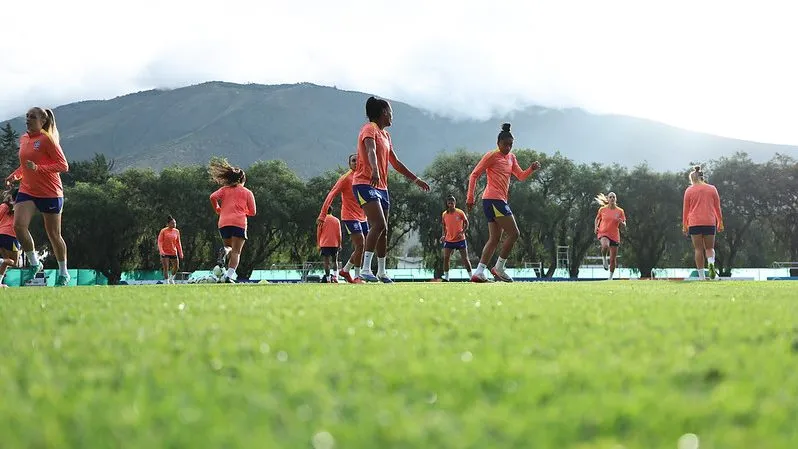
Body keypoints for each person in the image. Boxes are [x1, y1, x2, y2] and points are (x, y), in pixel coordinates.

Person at [351, 96, 430, 283]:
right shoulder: (369, 129)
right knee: (378, 225)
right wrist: (376, 170)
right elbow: (370, 150)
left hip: (382, 188)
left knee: (384, 231)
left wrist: (416, 179)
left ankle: (382, 271)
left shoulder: (386, 136)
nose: (392, 116)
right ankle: (365, 269)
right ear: (384, 113)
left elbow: (395, 162)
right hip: (365, 183)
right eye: (391, 112)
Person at [4, 107, 70, 286]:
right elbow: (26, 166)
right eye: (27, 116)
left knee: (54, 235)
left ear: (42, 120)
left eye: (32, 117)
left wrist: (39, 169)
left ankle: (64, 273)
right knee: (18, 226)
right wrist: (15, 175)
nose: (28, 119)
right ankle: (34, 263)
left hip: (50, 192)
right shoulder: (24, 138)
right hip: (28, 190)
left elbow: (63, 166)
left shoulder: (47, 139)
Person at [466, 123, 540, 283]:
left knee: (494, 239)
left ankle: (479, 272)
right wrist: (470, 197)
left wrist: (531, 169)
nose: (507, 147)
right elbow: (474, 175)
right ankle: (499, 268)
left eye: (510, 145)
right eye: (505, 144)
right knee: (514, 234)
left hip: (497, 201)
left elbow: (520, 176)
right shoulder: (491, 156)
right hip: (493, 200)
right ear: (498, 143)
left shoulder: (511, 158)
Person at [318, 153, 367, 283]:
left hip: (363, 216)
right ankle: (357, 276)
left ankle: (345, 271)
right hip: (349, 216)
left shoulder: (365, 176)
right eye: (353, 161)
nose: (357, 163)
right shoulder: (345, 178)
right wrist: (323, 214)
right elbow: (331, 194)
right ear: (349, 164)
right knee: (360, 243)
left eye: (359, 160)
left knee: (362, 246)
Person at [209, 158, 256, 283]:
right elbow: (253, 212)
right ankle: (228, 277)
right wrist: (243, 211)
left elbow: (212, 197)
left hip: (223, 222)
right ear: (242, 180)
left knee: (228, 247)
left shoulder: (224, 190)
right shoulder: (247, 192)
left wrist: (218, 209)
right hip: (239, 223)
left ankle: (224, 251)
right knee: (236, 252)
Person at [682, 165, 724, 280]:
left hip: (694, 222)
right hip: (709, 222)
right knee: (709, 248)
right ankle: (711, 265)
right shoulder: (712, 189)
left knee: (698, 249)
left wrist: (685, 225)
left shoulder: (689, 190)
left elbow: (686, 210)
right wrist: (720, 221)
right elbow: (717, 207)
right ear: (702, 177)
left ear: (692, 179)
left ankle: (701, 276)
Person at [594, 192, 627, 280]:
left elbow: (624, 224)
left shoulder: (620, 211)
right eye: (610, 197)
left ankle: (610, 278)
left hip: (615, 235)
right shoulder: (602, 209)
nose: (612, 198)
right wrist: (596, 226)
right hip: (603, 232)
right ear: (608, 199)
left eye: (613, 197)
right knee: (605, 246)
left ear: (616, 199)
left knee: (613, 259)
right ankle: (604, 257)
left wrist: (622, 223)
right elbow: (597, 218)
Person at [440, 195, 472, 281]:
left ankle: (471, 277)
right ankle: (446, 277)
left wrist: (462, 232)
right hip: (449, 240)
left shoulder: (460, 212)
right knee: (446, 258)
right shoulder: (444, 214)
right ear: (447, 204)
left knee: (465, 259)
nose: (450, 205)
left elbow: (466, 223)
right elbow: (444, 226)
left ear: (455, 203)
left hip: (460, 239)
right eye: (449, 203)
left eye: (452, 203)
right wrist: (444, 235)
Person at [0, 189, 21, 288]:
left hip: (1, 234)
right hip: (11, 235)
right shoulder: (21, 206)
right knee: (14, 263)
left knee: (6, 261)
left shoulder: (3, 206)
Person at [317, 206, 342, 283]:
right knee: (335, 261)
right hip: (334, 243)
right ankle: (335, 277)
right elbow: (339, 234)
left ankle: (328, 279)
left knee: (326, 262)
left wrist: (318, 244)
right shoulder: (336, 220)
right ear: (331, 211)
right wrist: (340, 243)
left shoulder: (321, 220)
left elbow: (318, 233)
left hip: (324, 244)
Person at [158, 215, 184, 284]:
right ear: (168, 224)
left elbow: (178, 243)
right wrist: (161, 251)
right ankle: (166, 281)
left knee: (176, 267)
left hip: (173, 252)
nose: (174, 224)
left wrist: (180, 252)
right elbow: (160, 241)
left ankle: (171, 278)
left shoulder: (176, 231)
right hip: (165, 252)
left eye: (175, 223)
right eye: (172, 223)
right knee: (166, 267)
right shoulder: (163, 231)